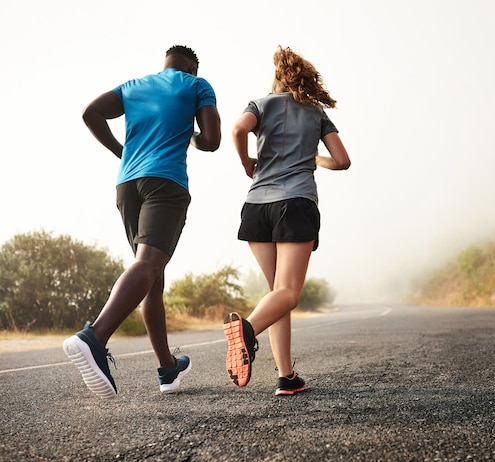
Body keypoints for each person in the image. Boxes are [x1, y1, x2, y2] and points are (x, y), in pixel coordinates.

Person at [63, 45, 221, 399]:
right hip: (165, 182)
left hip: (127, 185)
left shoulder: (133, 86)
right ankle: (94, 336)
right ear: (191, 68)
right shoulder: (197, 85)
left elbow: (91, 113)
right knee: (149, 265)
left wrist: (123, 152)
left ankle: (168, 368)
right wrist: (192, 136)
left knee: (152, 275)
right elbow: (212, 141)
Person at [225, 46, 351, 396]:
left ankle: (286, 376)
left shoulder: (260, 104)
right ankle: (246, 330)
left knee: (277, 294)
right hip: (295, 203)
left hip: (256, 205)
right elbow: (342, 160)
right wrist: (314, 158)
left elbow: (237, 129)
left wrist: (247, 162)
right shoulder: (316, 112)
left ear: (276, 77)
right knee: (288, 294)